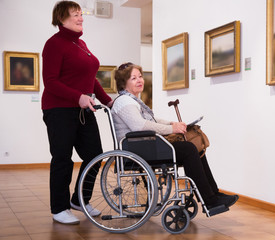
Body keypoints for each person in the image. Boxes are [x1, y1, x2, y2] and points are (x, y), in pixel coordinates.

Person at [111, 62, 238, 211]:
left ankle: (213, 194)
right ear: (123, 82)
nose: (139, 80)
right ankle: (209, 200)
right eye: (133, 78)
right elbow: (140, 126)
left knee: (195, 148)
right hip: (137, 150)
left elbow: (151, 120)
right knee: (189, 149)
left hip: (143, 146)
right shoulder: (125, 101)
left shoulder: (131, 100)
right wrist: (171, 128)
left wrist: (171, 123)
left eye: (140, 76)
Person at [42, 1, 113, 225]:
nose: (81, 18)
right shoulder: (54, 44)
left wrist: (108, 100)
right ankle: (59, 208)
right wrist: (78, 97)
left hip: (83, 108)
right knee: (62, 159)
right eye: (75, 14)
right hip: (59, 110)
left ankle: (79, 200)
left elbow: (90, 78)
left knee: (94, 155)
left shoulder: (80, 43)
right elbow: (50, 81)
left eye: (81, 14)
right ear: (61, 18)